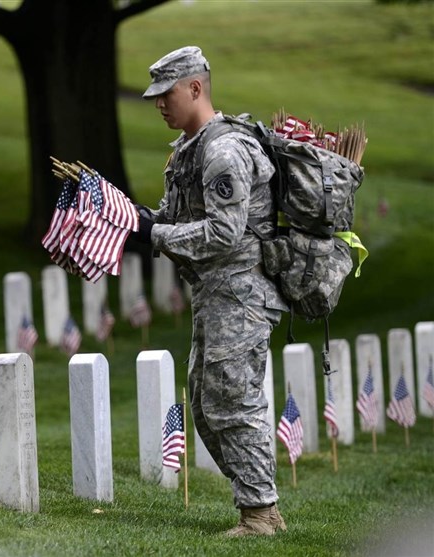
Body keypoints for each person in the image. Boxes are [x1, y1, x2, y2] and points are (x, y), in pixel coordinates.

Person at [129, 45, 289, 537]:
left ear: (195, 88)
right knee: (203, 401)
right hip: (213, 293)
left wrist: (154, 235)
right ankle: (263, 506)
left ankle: (259, 513)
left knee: (233, 401)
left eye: (167, 93)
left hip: (241, 294)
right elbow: (177, 220)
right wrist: (134, 220)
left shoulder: (223, 152)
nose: (159, 103)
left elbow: (223, 232)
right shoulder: (187, 151)